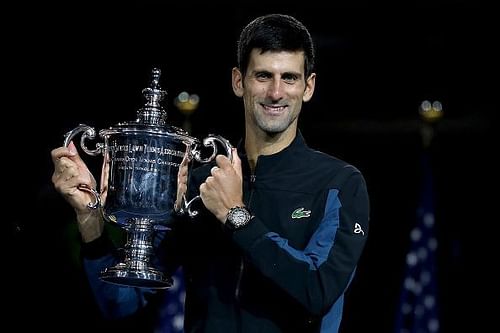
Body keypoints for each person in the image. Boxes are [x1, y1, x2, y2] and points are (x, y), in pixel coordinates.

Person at [51, 13, 369, 333]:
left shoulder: (339, 184)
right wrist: (89, 221)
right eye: (262, 76)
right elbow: (120, 302)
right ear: (237, 81)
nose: (276, 92)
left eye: (289, 77)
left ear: (308, 86)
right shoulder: (199, 184)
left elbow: (317, 290)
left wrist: (235, 215)